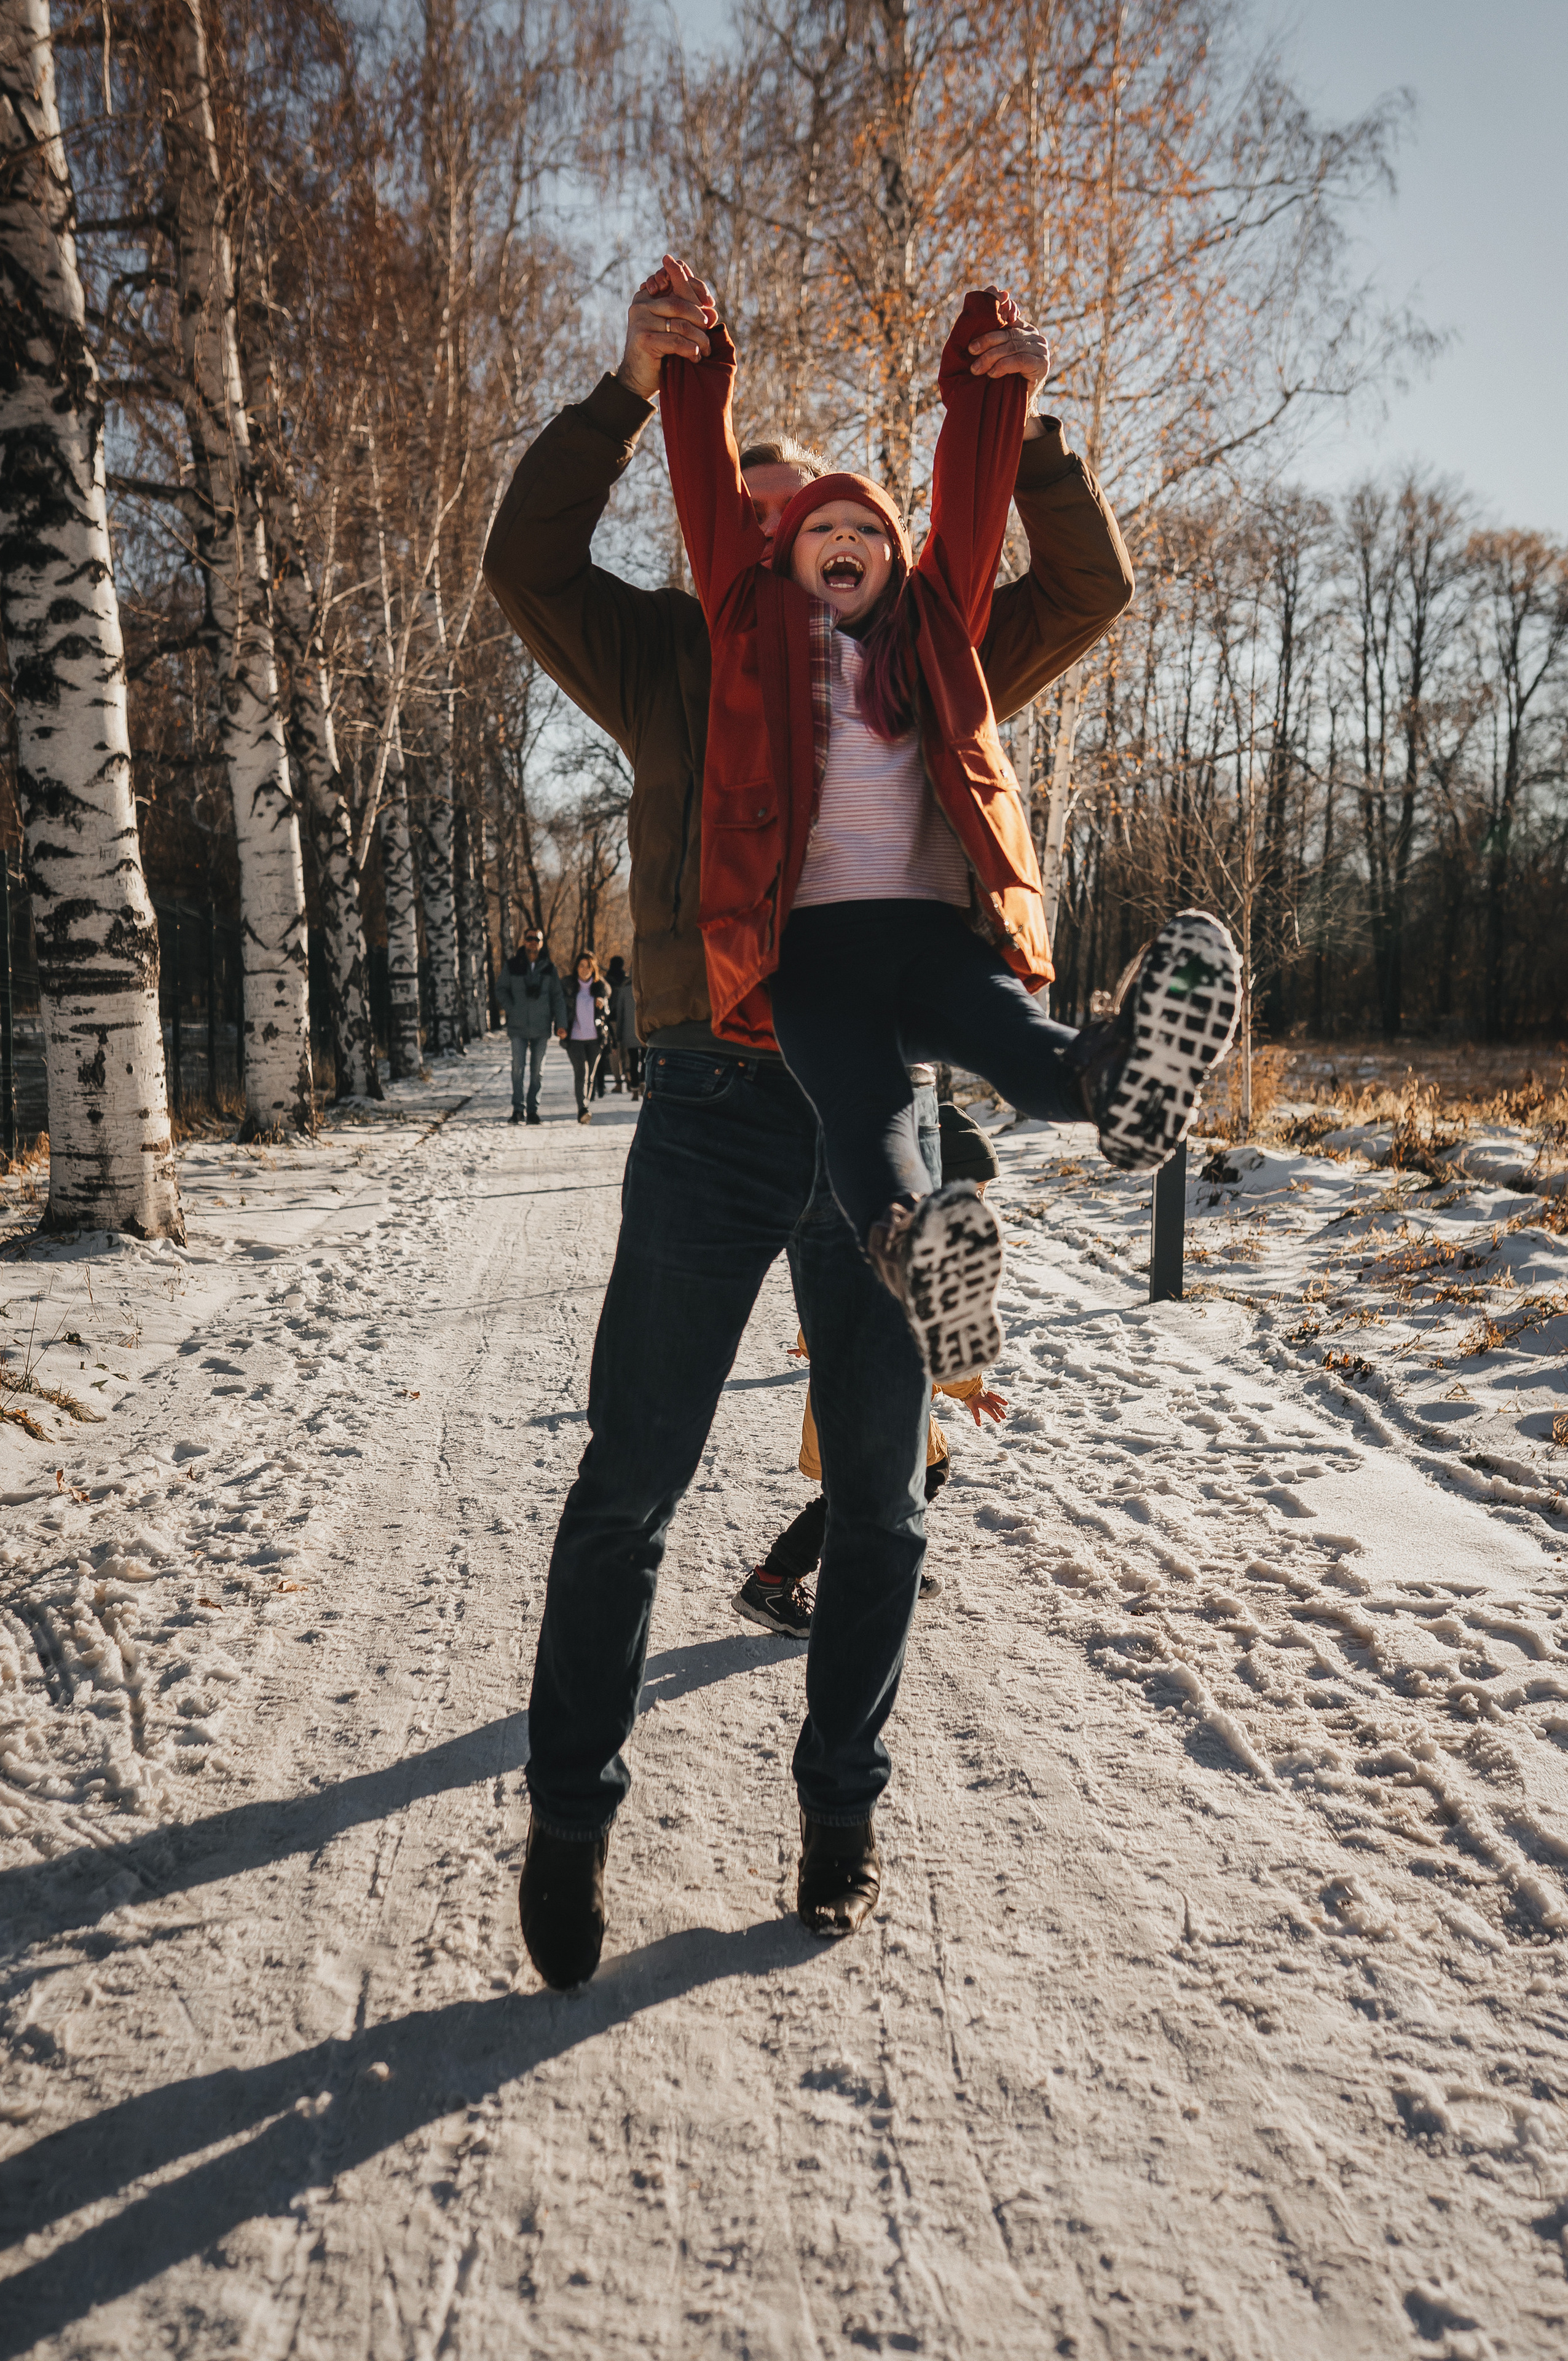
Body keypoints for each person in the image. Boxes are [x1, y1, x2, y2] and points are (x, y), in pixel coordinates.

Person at [481, 253, 1133, 1987]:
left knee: (884, 1507)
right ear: (735, 544)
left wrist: (1024, 424)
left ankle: (839, 1813)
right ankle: (571, 1813)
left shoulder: (913, 650)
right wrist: (627, 394)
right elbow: (523, 562)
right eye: (761, 514)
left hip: (882, 1113)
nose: (788, 533)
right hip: (714, 1102)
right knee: (631, 1478)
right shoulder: (670, 650)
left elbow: (1082, 584)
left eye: (817, 515)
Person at [658, 256, 1241, 1385]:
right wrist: (696, 364)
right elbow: (703, 489)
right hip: (806, 954)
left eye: (868, 530)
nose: (844, 540)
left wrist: (993, 384)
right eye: (820, 529)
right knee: (865, 1112)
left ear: (896, 558)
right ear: (781, 557)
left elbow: (969, 506)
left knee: (1019, 1040)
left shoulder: (936, 630)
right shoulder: (748, 628)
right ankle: (920, 1251)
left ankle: (1115, 1086)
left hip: (930, 937)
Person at [738, 1102, 1008, 1637]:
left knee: (900, 1482)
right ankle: (772, 1581)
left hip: (864, 1397)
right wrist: (971, 1389)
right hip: (874, 1403)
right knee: (865, 1496)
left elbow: (825, 1308)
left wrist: (811, 1342)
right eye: (972, 1192)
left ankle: (887, 1558)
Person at [496, 925, 566, 1124]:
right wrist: (512, 1009)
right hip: (518, 1027)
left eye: (537, 939)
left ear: (542, 943)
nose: (533, 942)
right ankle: (518, 1110)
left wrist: (561, 1024)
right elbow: (501, 989)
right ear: (524, 941)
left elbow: (558, 997)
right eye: (530, 938)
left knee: (537, 1071)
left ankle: (533, 1110)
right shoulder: (512, 966)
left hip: (541, 1027)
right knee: (517, 1069)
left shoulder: (549, 968)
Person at [564, 952, 610, 1122]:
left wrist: (603, 1005)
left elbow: (607, 1013)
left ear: (594, 969)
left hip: (595, 1038)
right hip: (575, 1038)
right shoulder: (569, 987)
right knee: (581, 1072)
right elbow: (561, 1010)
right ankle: (582, 1108)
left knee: (590, 1075)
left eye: (588, 966)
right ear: (576, 968)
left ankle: (585, 1106)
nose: (585, 970)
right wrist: (561, 1028)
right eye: (582, 966)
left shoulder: (600, 988)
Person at [604, 954, 642, 1096]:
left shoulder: (607, 980)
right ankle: (629, 1078)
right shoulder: (627, 981)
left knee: (614, 1054)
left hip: (611, 1020)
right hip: (628, 1020)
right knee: (628, 1054)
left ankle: (618, 1083)